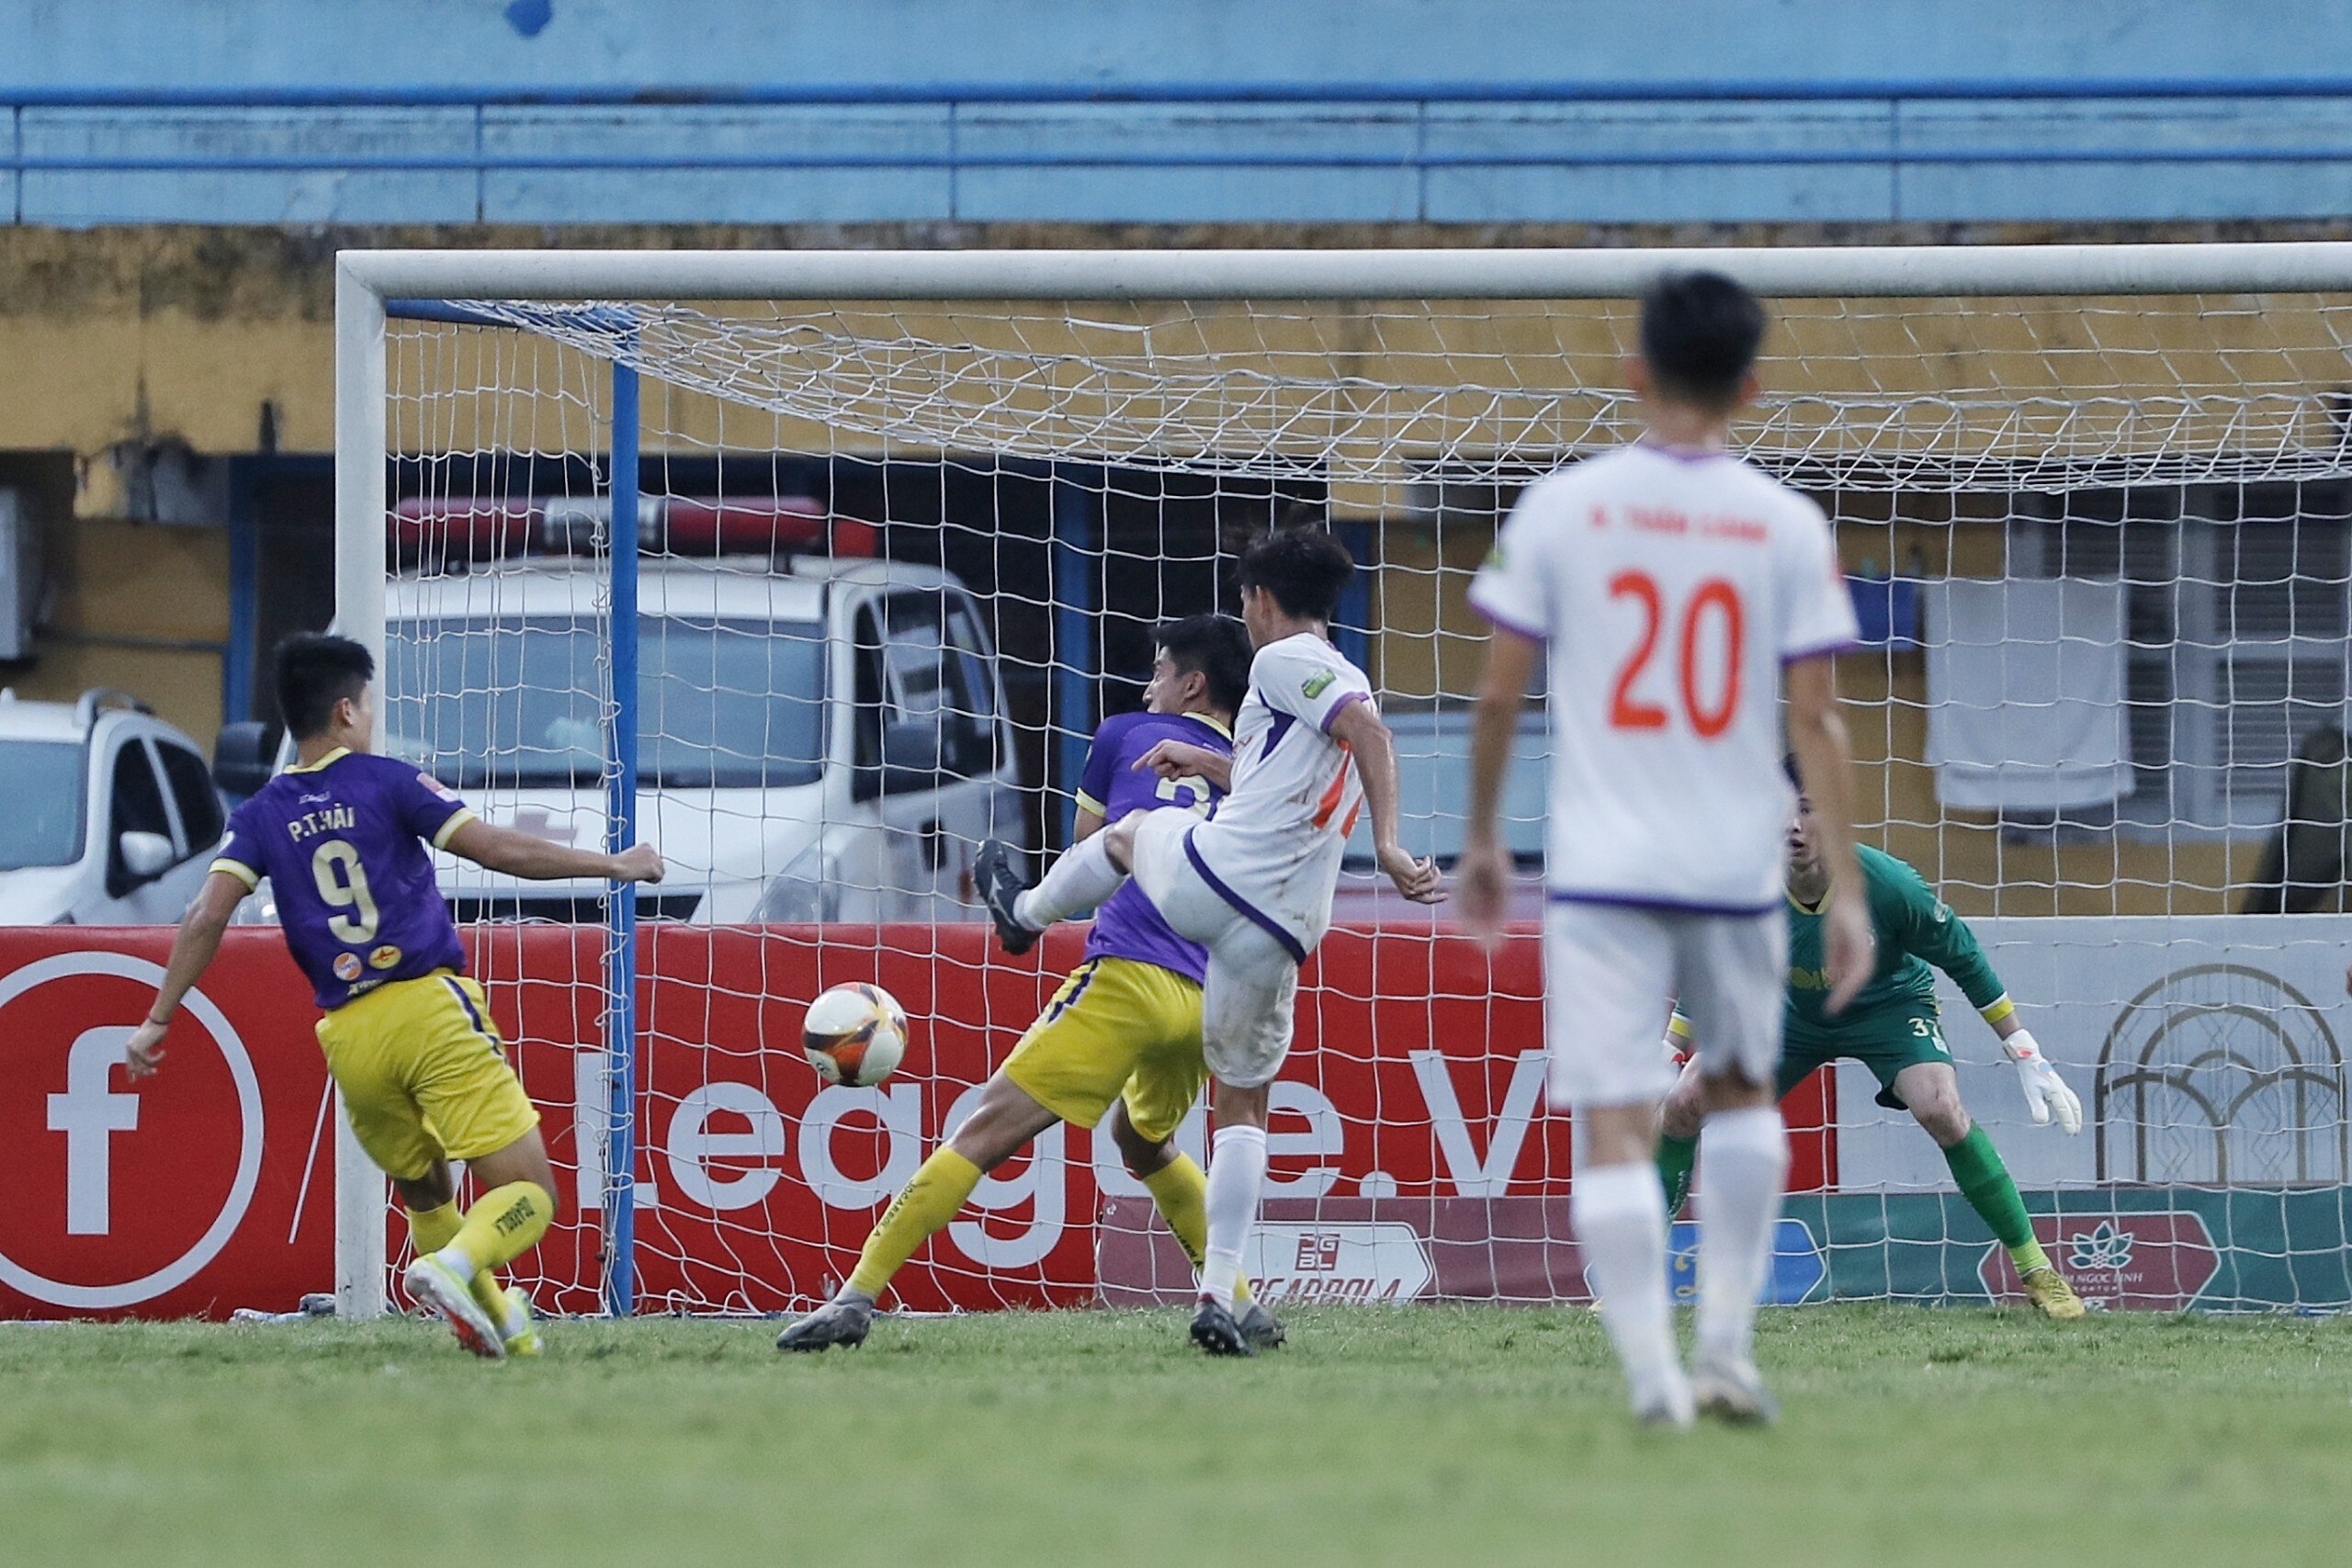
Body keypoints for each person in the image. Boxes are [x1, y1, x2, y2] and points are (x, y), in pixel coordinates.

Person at [1455, 271, 1873, 1427]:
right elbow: (1817, 719)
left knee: (1615, 1117)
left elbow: (1497, 698)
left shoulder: (1559, 506)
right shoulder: (1788, 523)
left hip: (1599, 868)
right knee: (1740, 1095)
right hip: (1734, 864)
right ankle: (1728, 1352)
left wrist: (1485, 837)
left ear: (1633, 371)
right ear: (1751, 384)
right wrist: (1840, 887)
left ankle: (1650, 1378)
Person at [124, 633, 665, 1359]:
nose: (373, 717)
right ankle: (454, 1265)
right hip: (426, 1006)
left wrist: (157, 1017)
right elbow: (496, 849)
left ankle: (502, 1326)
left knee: (428, 1190)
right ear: (346, 710)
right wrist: (615, 863)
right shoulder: (388, 781)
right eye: (370, 704)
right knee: (531, 1195)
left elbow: (205, 915)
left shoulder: (259, 813)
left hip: (348, 1035)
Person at [978, 529, 1444, 1356]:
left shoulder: (1280, 660)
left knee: (1130, 832)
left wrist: (1394, 845)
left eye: (1242, 600)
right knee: (1242, 1108)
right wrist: (1206, 755)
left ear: (1261, 600)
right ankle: (1217, 1295)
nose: (1243, 616)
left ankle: (1026, 910)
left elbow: (1371, 734)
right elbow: (1302, 765)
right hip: (1285, 926)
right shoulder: (1329, 675)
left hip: (1220, 882)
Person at [777, 615, 1288, 1351]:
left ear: (1192, 684)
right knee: (1142, 1145)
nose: (1149, 685)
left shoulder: (1127, 733)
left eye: (1158, 670)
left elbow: (1087, 855)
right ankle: (1239, 1303)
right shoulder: (1257, 773)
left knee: (982, 1131)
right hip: (1211, 994)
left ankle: (855, 1295)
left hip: (1130, 973)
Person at [1655, 767, 2086, 1319]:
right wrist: (1670, 1051)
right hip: (1789, 1015)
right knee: (1682, 1106)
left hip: (1888, 1005)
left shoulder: (1887, 885)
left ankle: (2037, 1271)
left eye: (1808, 809)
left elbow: (1964, 958)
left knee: (1942, 1110)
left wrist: (2025, 1051)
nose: (1793, 826)